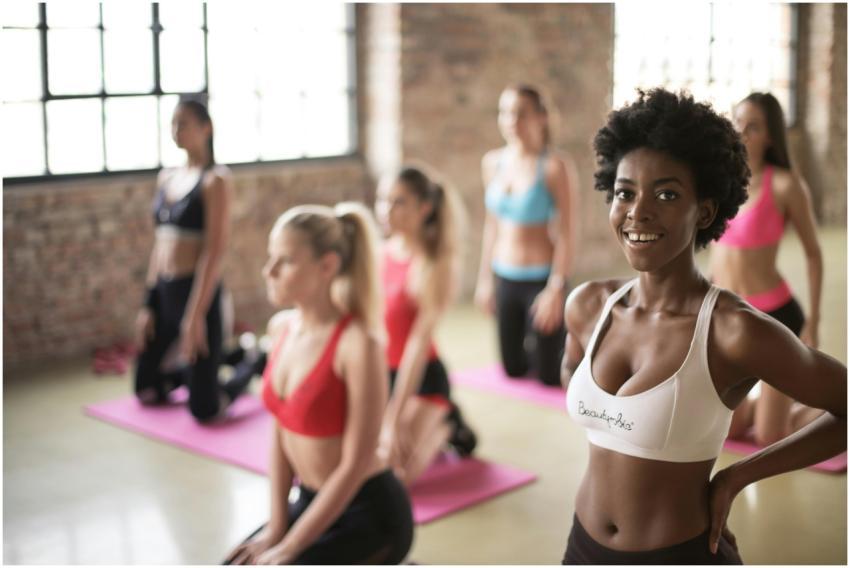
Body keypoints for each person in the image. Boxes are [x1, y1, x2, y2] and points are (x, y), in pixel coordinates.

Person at [561, 88, 846, 564]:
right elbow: (570, 369)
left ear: (706, 212)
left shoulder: (732, 331)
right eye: (625, 192)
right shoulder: (587, 306)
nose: (639, 211)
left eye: (666, 194)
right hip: (581, 548)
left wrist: (737, 477)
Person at [225, 203, 413, 565]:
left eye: (286, 261)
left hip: (369, 511)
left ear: (327, 266)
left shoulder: (359, 344)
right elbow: (280, 434)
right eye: (271, 258)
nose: (269, 271)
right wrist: (277, 529)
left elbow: (356, 462)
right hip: (311, 502)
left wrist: (292, 549)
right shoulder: (282, 329)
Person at [710, 92, 825, 446]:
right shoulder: (721, 181)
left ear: (770, 136)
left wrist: (813, 323)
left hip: (776, 317)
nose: (742, 132)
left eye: (754, 126)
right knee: (726, 430)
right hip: (731, 316)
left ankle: (833, 408)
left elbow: (813, 254)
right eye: (738, 122)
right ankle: (764, 404)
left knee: (770, 435)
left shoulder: (786, 185)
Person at [133, 99, 250, 421]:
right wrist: (148, 303)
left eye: (183, 123)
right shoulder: (166, 177)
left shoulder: (216, 181)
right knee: (145, 388)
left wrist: (194, 315)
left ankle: (250, 361)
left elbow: (214, 252)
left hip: (197, 293)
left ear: (206, 128)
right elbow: (159, 246)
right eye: (173, 123)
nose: (176, 131)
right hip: (164, 293)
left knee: (204, 410)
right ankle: (213, 364)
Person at [375, 166, 478, 486]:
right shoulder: (378, 255)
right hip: (380, 375)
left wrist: (393, 418)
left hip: (421, 379)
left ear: (425, 208)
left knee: (396, 477)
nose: (386, 211)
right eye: (383, 200)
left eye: (398, 202)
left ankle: (448, 420)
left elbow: (417, 346)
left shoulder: (436, 266)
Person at [475, 83, 579, 386]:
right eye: (505, 113)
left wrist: (555, 288)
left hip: (541, 279)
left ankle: (574, 340)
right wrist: (485, 280)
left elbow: (568, 233)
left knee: (549, 376)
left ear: (541, 118)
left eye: (520, 113)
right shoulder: (492, 163)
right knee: (513, 369)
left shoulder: (555, 167)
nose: (511, 121)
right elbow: (491, 225)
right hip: (505, 276)